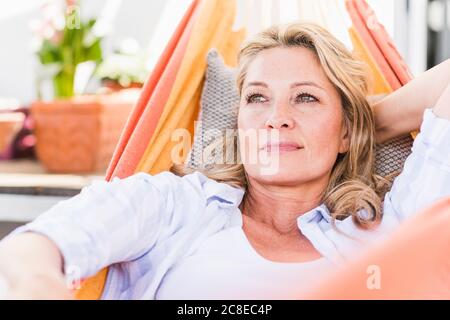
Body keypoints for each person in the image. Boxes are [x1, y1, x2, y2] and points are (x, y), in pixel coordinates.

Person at [1, 23, 450, 299]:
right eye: (257, 98)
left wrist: (362, 125)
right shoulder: (176, 207)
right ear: (237, 124)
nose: (277, 119)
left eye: (306, 98)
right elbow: (31, 248)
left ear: (347, 129)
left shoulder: (391, 225)